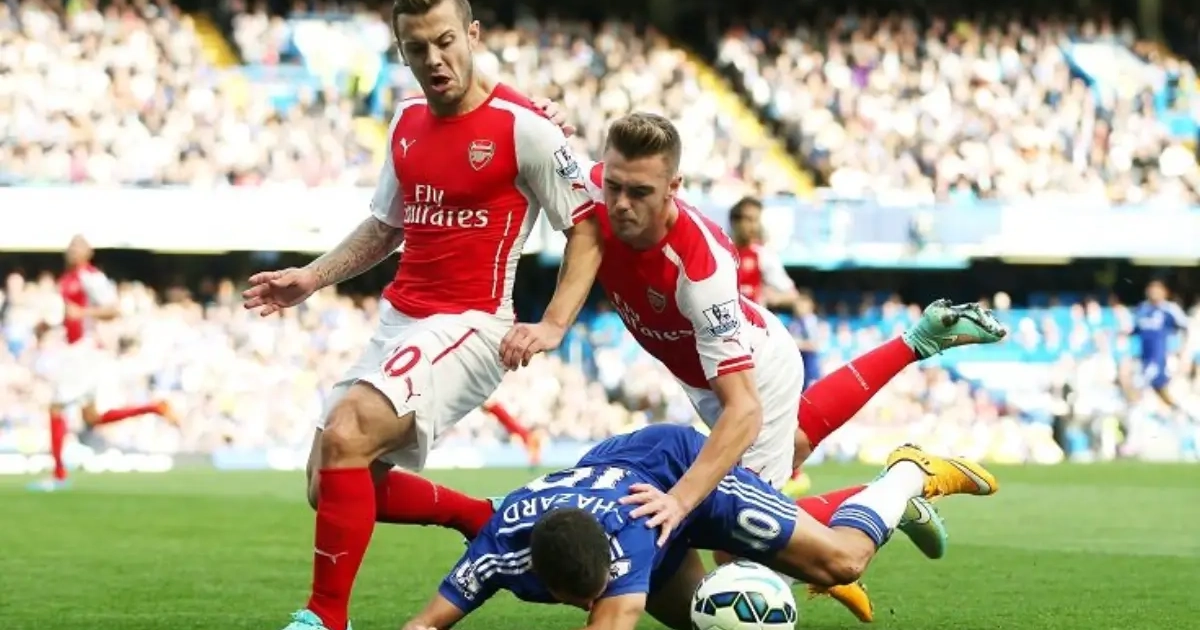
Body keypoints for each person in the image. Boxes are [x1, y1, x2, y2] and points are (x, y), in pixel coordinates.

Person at [498, 112, 1004, 565]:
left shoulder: (700, 267)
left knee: (738, 542)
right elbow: (524, 141)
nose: (621, 205)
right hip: (705, 365)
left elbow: (744, 410)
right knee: (790, 450)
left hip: (755, 372)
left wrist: (679, 501)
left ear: (674, 187)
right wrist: (541, 117)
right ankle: (912, 357)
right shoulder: (592, 186)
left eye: (641, 193)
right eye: (614, 186)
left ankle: (897, 489)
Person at [241, 0, 602, 628]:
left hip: (474, 322)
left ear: (473, 35)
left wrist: (554, 323)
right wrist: (312, 277)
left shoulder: (526, 129)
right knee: (327, 481)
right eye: (417, 48)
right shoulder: (407, 119)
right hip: (402, 318)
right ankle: (481, 517)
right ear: (401, 51)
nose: (434, 59)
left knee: (348, 430)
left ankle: (324, 618)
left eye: (445, 41)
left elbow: (587, 227)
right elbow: (386, 227)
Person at [399, 423, 998, 630]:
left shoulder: (626, 542)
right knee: (712, 624)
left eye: (599, 593)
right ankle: (787, 570)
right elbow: (424, 623)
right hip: (626, 493)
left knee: (842, 560)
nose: (594, 605)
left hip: (678, 470)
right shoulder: (493, 553)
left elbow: (611, 617)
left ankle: (904, 476)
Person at [29, 235, 178, 492]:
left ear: (89, 252)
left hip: (84, 352)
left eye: (77, 246)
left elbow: (113, 310)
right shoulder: (67, 279)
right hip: (77, 351)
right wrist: (48, 324)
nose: (71, 250)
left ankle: (59, 475)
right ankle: (154, 407)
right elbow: (68, 315)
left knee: (56, 406)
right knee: (93, 417)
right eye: (70, 246)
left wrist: (83, 313)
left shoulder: (91, 277)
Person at [1131, 280, 1193, 419]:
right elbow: (1133, 330)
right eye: (1151, 289)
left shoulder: (1170, 309)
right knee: (1148, 388)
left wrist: (1183, 350)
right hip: (1144, 357)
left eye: (1157, 289)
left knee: (1161, 386)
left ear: (1165, 292)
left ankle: (1180, 414)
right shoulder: (1142, 309)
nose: (1154, 292)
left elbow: (1187, 327)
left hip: (1164, 356)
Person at [727, 196, 799, 309]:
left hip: (750, 318)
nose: (753, 226)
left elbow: (791, 294)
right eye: (749, 219)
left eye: (756, 220)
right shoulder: (721, 251)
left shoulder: (763, 254)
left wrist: (772, 298)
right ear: (734, 221)